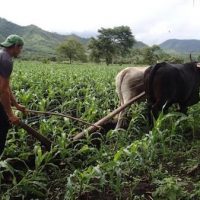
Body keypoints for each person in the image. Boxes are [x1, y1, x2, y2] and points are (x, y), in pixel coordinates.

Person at [0, 34, 27, 156]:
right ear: (15, 46)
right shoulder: (6, 60)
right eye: (20, 48)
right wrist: (10, 115)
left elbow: (6, 86)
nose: (20, 51)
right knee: (3, 125)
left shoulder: (1, 54)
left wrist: (16, 105)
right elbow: (3, 90)